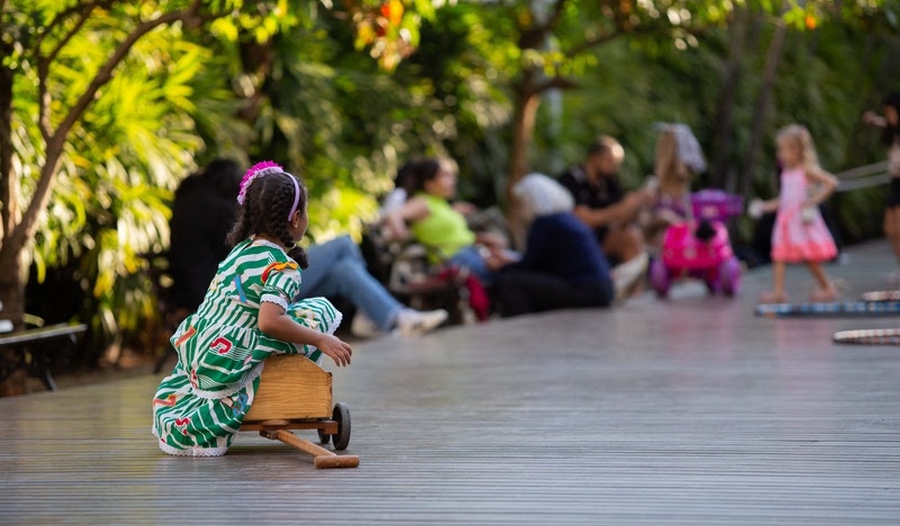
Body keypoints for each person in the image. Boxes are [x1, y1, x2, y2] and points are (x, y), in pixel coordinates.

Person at [152, 161, 353, 456]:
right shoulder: (282, 265)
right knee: (319, 310)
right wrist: (321, 339)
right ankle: (286, 388)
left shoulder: (242, 251)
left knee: (298, 314)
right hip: (229, 355)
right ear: (296, 219)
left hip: (202, 350)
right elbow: (269, 323)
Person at [167, 160, 447, 339]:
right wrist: (321, 340)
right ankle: (383, 314)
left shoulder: (189, 208)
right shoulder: (214, 210)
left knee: (344, 271)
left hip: (231, 292)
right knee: (343, 244)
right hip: (247, 295)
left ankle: (389, 316)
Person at [495, 174, 614, 317]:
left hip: (587, 290)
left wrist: (500, 266)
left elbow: (530, 266)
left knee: (508, 281)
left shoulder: (545, 223)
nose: (520, 210)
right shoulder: (566, 219)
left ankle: (521, 329)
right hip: (602, 289)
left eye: (521, 203)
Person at [383, 157, 515, 286]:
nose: (452, 180)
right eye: (445, 176)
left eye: (452, 175)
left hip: (474, 252)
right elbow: (393, 215)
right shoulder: (421, 202)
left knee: (522, 265)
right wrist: (402, 235)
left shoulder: (441, 204)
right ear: (429, 184)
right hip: (457, 261)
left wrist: (484, 240)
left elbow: (452, 235)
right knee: (520, 270)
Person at [749, 125, 839, 303]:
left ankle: (827, 287)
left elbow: (831, 182)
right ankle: (778, 292)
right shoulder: (786, 173)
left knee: (809, 258)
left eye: (783, 149)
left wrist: (814, 200)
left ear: (797, 151)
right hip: (785, 223)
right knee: (779, 255)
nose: (779, 154)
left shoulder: (806, 170)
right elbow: (783, 200)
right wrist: (764, 206)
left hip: (800, 223)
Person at [558, 135, 654, 298]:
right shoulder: (571, 179)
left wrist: (636, 205)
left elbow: (621, 219)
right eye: (610, 160)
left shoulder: (609, 182)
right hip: (575, 243)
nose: (614, 167)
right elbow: (581, 218)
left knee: (632, 236)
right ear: (594, 157)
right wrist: (620, 208)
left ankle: (633, 295)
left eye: (616, 163)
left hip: (603, 240)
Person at [167, 159, 243, 316]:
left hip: (182, 284)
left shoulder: (188, 197)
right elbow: (232, 252)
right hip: (209, 289)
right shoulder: (218, 208)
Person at [863, 92, 900, 276]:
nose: (889, 116)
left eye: (891, 112)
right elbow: (884, 123)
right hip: (895, 182)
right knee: (890, 229)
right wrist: (873, 120)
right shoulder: (892, 130)